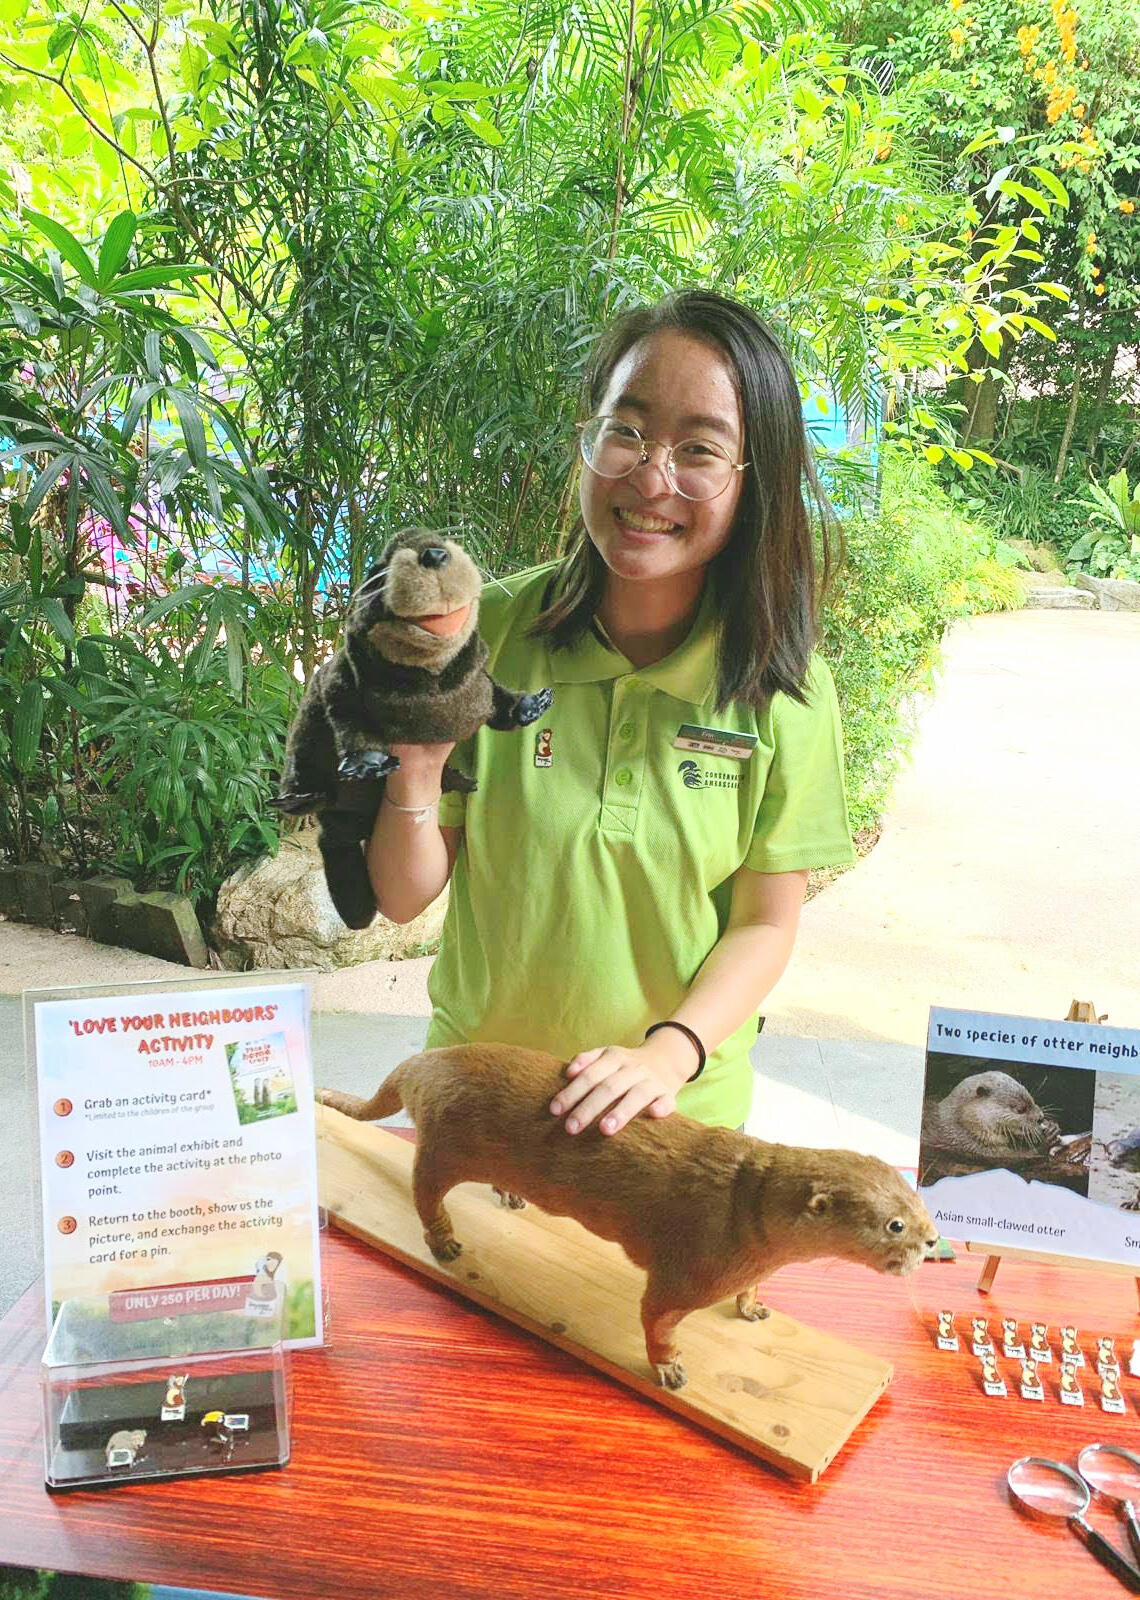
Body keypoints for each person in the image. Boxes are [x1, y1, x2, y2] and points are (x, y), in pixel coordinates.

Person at [365, 290, 855, 1137]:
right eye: (627, 430)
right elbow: (403, 898)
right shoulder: (483, 636)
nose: (651, 477)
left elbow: (765, 926)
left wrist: (669, 1054)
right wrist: (413, 768)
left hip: (671, 1129)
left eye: (700, 448)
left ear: (755, 481)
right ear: (588, 440)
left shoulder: (783, 688)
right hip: (479, 1104)